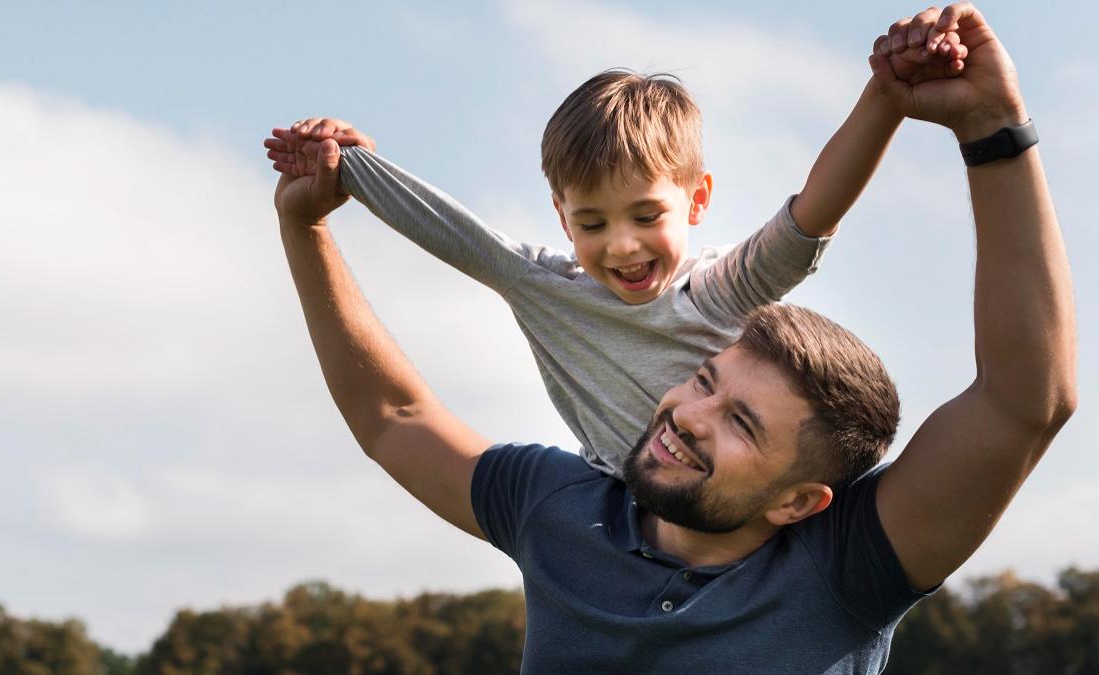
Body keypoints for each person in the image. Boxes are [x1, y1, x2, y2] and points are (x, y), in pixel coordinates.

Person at [274, 3, 1075, 671]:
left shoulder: (847, 569)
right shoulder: (558, 510)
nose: (693, 414)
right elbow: (395, 419)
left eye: (743, 424)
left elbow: (1023, 402)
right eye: (704, 381)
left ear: (801, 500)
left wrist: (994, 129)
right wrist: (303, 227)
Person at [264, 29, 967, 478]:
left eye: (646, 214)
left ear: (696, 202)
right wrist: (343, 163)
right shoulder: (544, 286)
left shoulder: (719, 292)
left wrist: (888, 93)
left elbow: (814, 211)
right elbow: (449, 228)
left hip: (751, 513)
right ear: (561, 218)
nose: (621, 244)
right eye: (592, 221)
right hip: (621, 512)